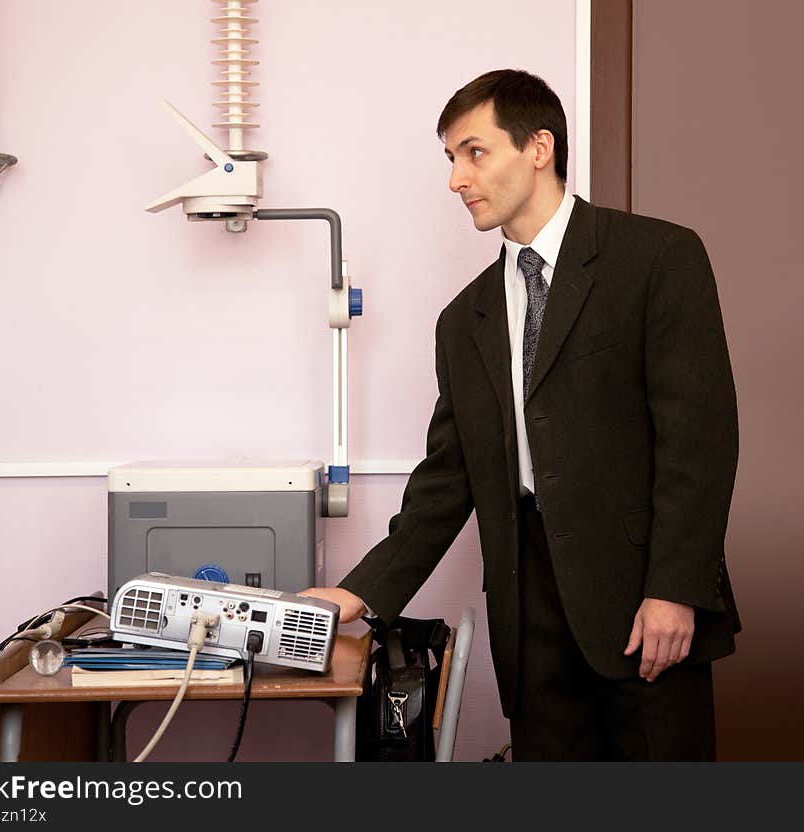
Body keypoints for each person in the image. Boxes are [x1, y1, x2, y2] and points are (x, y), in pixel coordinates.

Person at [302, 69, 740, 761]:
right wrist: (359, 591)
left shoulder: (658, 258)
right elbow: (448, 481)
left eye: (474, 152)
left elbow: (699, 442)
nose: (456, 179)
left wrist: (675, 590)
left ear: (539, 147)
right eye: (450, 159)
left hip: (642, 602)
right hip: (528, 612)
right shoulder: (462, 320)